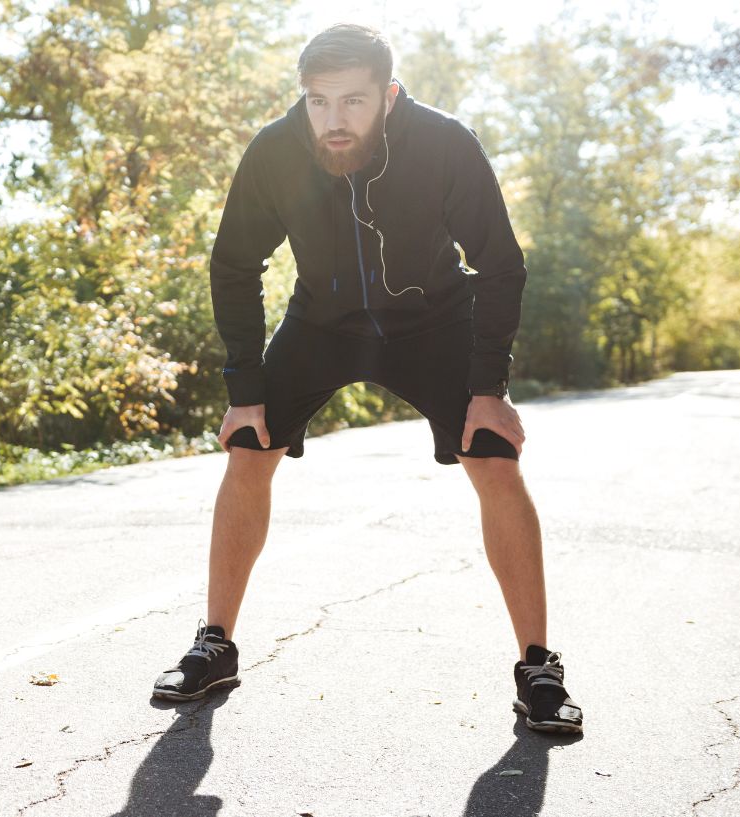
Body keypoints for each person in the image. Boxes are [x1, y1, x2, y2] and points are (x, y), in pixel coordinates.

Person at [151, 23, 583, 734]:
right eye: (319, 102)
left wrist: (488, 386)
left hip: (433, 320)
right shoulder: (275, 151)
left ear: (389, 93)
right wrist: (244, 389)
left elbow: (500, 262)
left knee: (495, 459)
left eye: (353, 101)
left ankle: (538, 667)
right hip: (322, 321)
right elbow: (233, 264)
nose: (334, 120)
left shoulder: (445, 143)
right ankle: (215, 644)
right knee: (248, 447)